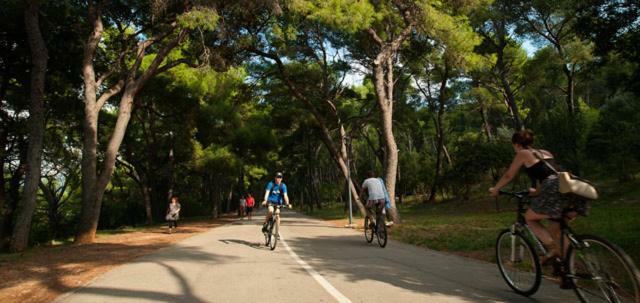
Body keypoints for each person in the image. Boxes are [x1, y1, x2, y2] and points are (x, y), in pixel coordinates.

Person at [489, 130, 588, 264]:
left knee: (529, 218)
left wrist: (496, 189)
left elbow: (509, 175)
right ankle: (569, 269)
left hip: (554, 189)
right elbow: (549, 174)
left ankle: (553, 249)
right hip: (569, 188)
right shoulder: (546, 152)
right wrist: (536, 192)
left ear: (516, 144)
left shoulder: (522, 153)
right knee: (555, 230)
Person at [261, 172, 291, 237]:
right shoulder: (271, 184)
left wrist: (287, 203)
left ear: (282, 179)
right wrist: (265, 200)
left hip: (278, 203)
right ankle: (265, 224)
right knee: (271, 211)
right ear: (275, 178)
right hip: (270, 201)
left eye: (280, 177)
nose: (278, 179)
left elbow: (285, 196)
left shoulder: (283, 186)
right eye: (277, 177)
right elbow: (267, 193)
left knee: (277, 214)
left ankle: (277, 231)